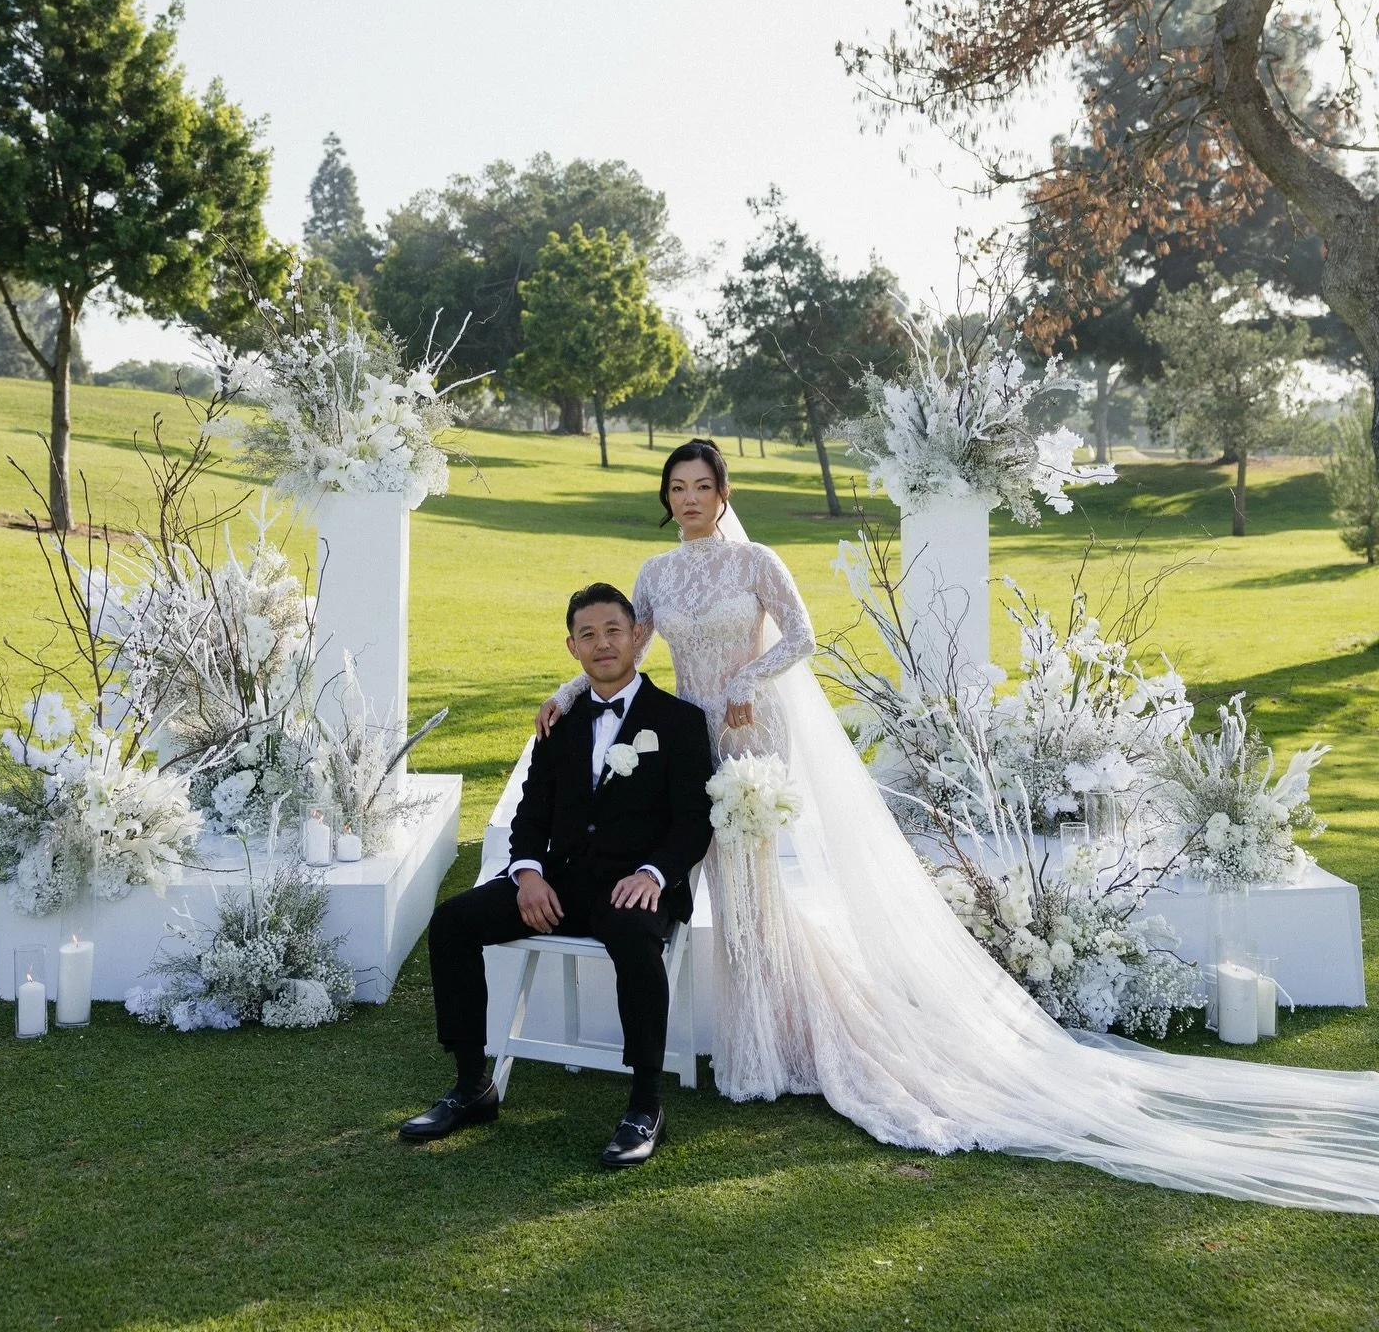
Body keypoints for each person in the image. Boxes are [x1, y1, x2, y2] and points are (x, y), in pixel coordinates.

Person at [534, 437, 1379, 1212]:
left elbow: (804, 636)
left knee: (751, 880)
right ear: (666, 497)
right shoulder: (655, 572)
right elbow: (626, 646)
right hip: (683, 738)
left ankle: (767, 1051)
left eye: (702, 486)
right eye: (677, 487)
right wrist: (568, 692)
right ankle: (765, 1032)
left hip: (751, 733)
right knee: (720, 880)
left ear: (724, 493)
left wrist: (748, 679)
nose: (689, 499)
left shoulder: (757, 560)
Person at [401, 582, 713, 1169]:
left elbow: (695, 822)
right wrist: (527, 874)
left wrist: (654, 874)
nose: (602, 644)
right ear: (572, 646)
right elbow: (531, 814)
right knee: (451, 923)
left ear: (637, 636)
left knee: (633, 936)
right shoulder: (559, 721)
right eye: (587, 635)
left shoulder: (679, 721)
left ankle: (645, 1106)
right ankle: (473, 1085)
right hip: (559, 884)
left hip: (634, 887)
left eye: (613, 631)